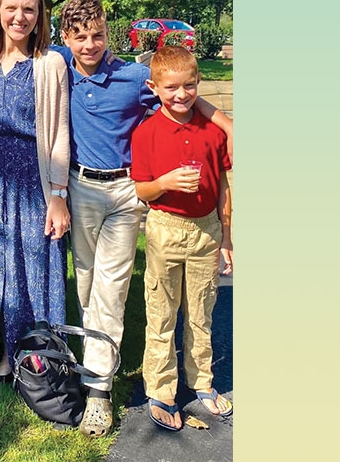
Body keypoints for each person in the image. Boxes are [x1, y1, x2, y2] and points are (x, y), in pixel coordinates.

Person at [56, 0, 233, 438]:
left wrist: (227, 122)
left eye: (98, 35)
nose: (90, 44)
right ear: (65, 39)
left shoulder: (134, 76)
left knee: (113, 287)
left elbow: (182, 97)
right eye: (80, 36)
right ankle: (94, 348)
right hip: (80, 187)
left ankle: (98, 388)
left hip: (124, 190)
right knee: (86, 281)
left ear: (108, 33)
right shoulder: (59, 68)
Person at [0, 0, 70, 383]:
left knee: (29, 267)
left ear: (40, 14)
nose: (19, 17)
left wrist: (58, 195)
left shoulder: (50, 63)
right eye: (11, 7)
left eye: (29, 8)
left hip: (32, 177)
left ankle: (28, 355)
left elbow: (60, 133)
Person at [130, 45, 234, 431]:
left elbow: (223, 186)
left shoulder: (212, 131)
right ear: (154, 87)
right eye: (171, 87)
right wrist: (165, 182)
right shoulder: (146, 133)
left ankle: (202, 381)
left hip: (206, 230)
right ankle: (162, 388)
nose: (181, 94)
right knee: (161, 311)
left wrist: (227, 238)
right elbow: (142, 189)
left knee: (201, 310)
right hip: (165, 229)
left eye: (189, 86)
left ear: (198, 83)